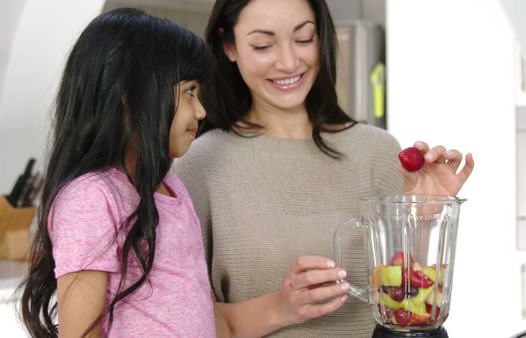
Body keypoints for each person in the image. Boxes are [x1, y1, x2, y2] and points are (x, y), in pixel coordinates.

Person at [172, 0, 475, 337]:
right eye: (263, 45)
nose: (288, 62)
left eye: (303, 39)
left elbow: (408, 298)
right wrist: (281, 306)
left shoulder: (377, 151)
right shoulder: (200, 163)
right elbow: (181, 321)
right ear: (229, 45)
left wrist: (424, 215)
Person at [18, 8, 221, 337]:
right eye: (190, 92)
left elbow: (199, 315)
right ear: (130, 93)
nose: (201, 110)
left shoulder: (171, 188)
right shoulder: (91, 198)